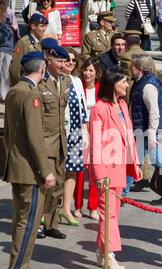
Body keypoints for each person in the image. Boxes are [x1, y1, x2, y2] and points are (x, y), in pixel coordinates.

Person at [3, 51, 56, 269]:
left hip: (16, 166)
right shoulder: (32, 94)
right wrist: (46, 171)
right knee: (28, 224)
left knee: (21, 221)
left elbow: (8, 133)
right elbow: (35, 138)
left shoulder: (14, 91)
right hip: (30, 171)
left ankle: (22, 268)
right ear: (42, 69)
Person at [89, 66, 142, 269]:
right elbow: (95, 145)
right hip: (106, 172)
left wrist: (135, 164)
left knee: (112, 215)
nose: (127, 85)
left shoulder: (122, 105)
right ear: (113, 84)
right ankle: (109, 255)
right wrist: (100, 175)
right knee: (108, 215)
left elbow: (129, 137)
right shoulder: (99, 109)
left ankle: (101, 250)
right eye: (124, 82)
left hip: (120, 170)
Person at [124, 54, 162, 206]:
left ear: (139, 69)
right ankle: (122, 194)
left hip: (151, 132)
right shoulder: (142, 82)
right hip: (145, 131)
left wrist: (151, 135)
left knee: (158, 162)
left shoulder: (148, 86)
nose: (130, 69)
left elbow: (154, 113)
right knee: (134, 161)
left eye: (132, 67)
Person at [36, 38, 70, 240]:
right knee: (44, 186)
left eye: (65, 62)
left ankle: (51, 223)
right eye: (59, 62)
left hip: (61, 142)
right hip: (46, 142)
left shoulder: (65, 81)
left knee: (58, 186)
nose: (63, 65)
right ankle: (38, 224)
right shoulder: (40, 82)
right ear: (49, 60)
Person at [59, 47, 89, 226]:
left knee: (73, 170)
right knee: (58, 169)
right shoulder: (54, 79)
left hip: (76, 131)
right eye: (67, 59)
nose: (70, 63)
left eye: (73, 60)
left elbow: (82, 107)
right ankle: (49, 209)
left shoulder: (77, 81)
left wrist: (84, 130)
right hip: (61, 131)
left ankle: (66, 207)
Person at [73, 57, 101, 220]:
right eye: (85, 70)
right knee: (79, 171)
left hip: (96, 132)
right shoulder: (77, 87)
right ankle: (77, 206)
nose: (87, 73)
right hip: (79, 132)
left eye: (91, 70)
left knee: (94, 172)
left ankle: (93, 206)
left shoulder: (101, 88)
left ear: (97, 73)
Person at [9, 13, 48, 87]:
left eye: (45, 26)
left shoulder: (40, 41)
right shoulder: (24, 42)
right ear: (33, 26)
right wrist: (23, 85)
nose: (44, 29)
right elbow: (15, 68)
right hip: (27, 86)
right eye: (42, 26)